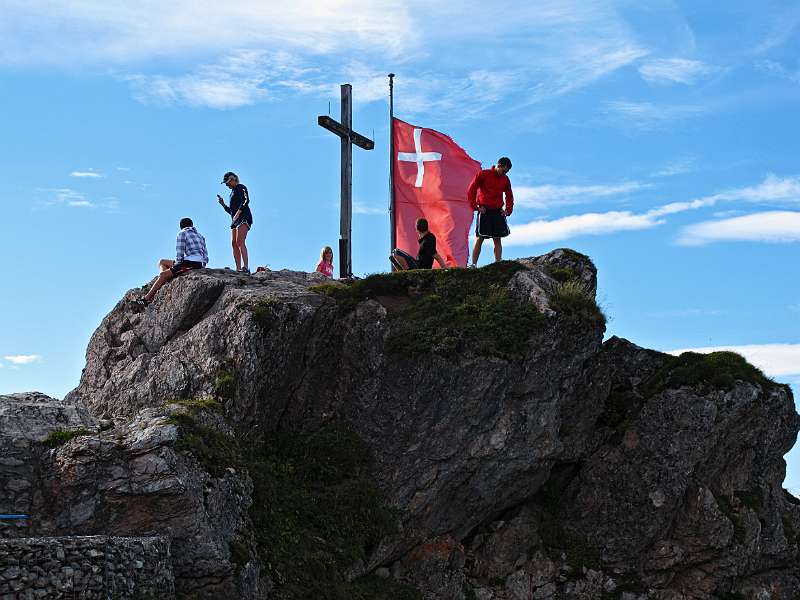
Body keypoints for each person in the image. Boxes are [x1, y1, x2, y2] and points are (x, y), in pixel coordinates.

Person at [135, 217, 208, 307]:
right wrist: (203, 265)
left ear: (181, 226)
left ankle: (146, 299)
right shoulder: (200, 235)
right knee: (162, 262)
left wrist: (174, 268)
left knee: (162, 275)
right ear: (192, 225)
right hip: (198, 262)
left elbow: (180, 253)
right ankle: (164, 276)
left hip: (190, 263)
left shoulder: (182, 233)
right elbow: (205, 255)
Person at [467, 156, 514, 267]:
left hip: (498, 211)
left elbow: (509, 195)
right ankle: (473, 264)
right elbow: (471, 190)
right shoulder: (483, 174)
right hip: (484, 211)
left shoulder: (505, 179)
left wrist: (507, 210)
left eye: (506, 172)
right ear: (499, 165)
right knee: (480, 237)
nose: (504, 174)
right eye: (503, 171)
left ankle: (498, 263)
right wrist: (476, 207)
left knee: (497, 238)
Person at [217, 171, 253, 274]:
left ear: (233, 179)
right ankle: (238, 268)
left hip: (244, 217)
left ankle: (245, 267)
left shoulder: (241, 187)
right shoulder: (231, 193)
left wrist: (238, 213)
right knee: (234, 243)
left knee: (239, 241)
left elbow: (246, 201)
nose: (227, 185)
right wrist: (223, 204)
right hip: (235, 220)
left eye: (227, 182)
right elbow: (232, 211)